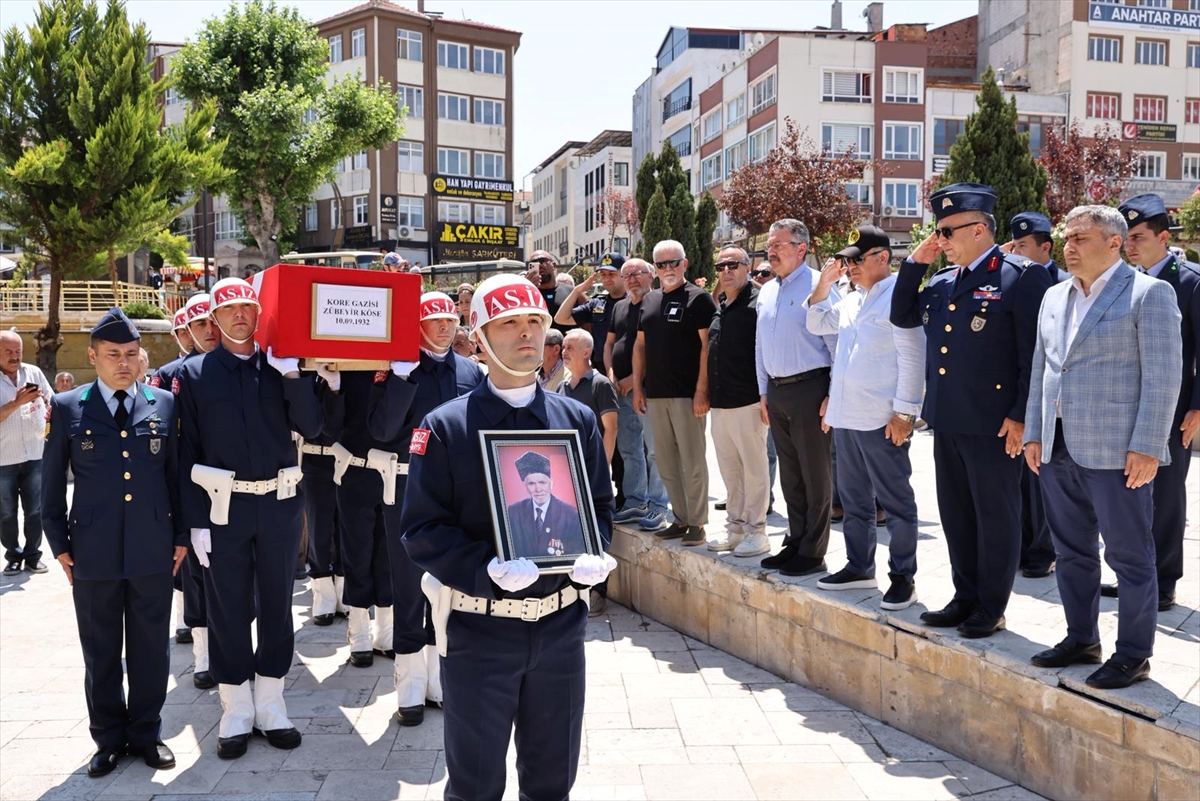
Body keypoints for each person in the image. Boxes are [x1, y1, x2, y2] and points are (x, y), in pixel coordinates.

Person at [400, 273, 615, 801]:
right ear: (477, 336)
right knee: (474, 785)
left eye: (535, 321)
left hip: (561, 628)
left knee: (552, 783)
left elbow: (599, 508)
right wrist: (485, 569)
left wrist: (594, 553)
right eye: (509, 323)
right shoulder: (445, 427)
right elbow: (421, 530)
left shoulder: (578, 419)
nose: (526, 333)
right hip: (480, 630)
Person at [1024, 204, 1182, 689]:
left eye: (1081, 238)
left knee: (1130, 557)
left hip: (1118, 451)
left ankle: (1133, 654)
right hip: (1058, 446)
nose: (1068, 246)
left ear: (1115, 243)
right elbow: (1042, 368)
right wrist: (1034, 432)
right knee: (1071, 551)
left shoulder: (1149, 293)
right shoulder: (1054, 296)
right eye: (1067, 238)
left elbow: (1164, 376)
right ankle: (1081, 638)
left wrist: (1148, 445)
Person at [891, 183, 1054, 638]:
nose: (939, 239)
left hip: (994, 423)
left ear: (979, 229)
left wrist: (1021, 415)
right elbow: (902, 315)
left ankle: (991, 605)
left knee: (996, 517)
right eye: (937, 231)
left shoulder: (1020, 276)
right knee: (957, 514)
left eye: (946, 231)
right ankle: (964, 596)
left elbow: (1036, 355)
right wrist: (915, 263)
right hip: (948, 418)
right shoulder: (943, 281)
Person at [177, 277, 329, 759]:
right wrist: (194, 522)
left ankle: (271, 704)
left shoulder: (282, 367)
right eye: (229, 309)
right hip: (223, 509)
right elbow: (186, 452)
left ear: (259, 313)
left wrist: (293, 378)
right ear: (213, 319)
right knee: (227, 606)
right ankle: (236, 708)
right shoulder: (195, 374)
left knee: (278, 604)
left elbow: (313, 427)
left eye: (247, 306)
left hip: (279, 505)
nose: (240, 315)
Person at [40, 308, 188, 777]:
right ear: (93, 357)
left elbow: (176, 477)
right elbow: (50, 483)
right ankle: (107, 739)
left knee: (151, 649)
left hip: (153, 546)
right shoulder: (68, 406)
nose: (123, 363)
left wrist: (181, 535)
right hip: (92, 549)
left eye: (130, 354)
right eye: (112, 355)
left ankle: (146, 733)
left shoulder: (163, 403)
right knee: (100, 650)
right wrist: (58, 543)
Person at [366, 291, 484, 726]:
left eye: (450, 319)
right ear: (416, 325)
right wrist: (400, 380)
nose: (445, 326)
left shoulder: (471, 371)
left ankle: (439, 681)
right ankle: (410, 685)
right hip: (408, 486)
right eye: (434, 319)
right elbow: (381, 430)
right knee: (408, 586)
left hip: (459, 493)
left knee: (449, 585)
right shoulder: (398, 369)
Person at [807, 226, 926, 610]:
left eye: (857, 259)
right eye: (847, 260)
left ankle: (903, 578)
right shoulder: (851, 299)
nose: (850, 266)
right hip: (848, 417)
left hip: (881, 419)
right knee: (855, 501)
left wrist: (905, 413)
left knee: (896, 503)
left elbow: (914, 357)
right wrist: (824, 285)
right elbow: (815, 322)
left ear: (882, 257)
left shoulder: (898, 296)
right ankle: (859, 566)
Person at [1105, 194, 1200, 612]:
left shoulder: (1190, 282)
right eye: (1126, 237)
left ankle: (1163, 580)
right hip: (1126, 405)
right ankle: (1133, 573)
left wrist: (1198, 407)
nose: (1130, 245)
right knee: (1129, 495)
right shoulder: (1124, 281)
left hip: (1173, 409)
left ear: (1164, 237)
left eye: (1139, 237)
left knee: (1165, 496)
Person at [755, 219, 839, 577]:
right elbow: (760, 345)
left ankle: (813, 553)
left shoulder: (821, 284)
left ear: (801, 248)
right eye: (770, 245)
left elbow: (837, 342)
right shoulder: (767, 291)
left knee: (814, 475)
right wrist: (763, 390)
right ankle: (795, 541)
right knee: (791, 476)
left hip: (810, 389)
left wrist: (833, 393)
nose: (771, 251)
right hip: (777, 391)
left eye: (779, 245)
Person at [633, 240, 716, 547]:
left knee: (692, 461)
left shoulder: (699, 298)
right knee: (666, 462)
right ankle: (680, 519)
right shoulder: (649, 300)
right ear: (654, 268)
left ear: (685, 263)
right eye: (661, 264)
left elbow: (707, 346)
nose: (668, 268)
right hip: (655, 395)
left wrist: (702, 390)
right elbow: (639, 345)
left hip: (687, 394)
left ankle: (697, 523)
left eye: (673, 262)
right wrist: (638, 387)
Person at [149, 298, 214, 679]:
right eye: (199, 324)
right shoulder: (170, 375)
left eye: (211, 321)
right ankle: (204, 657)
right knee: (194, 575)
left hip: (237, 491)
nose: (208, 330)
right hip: (190, 488)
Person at [1004, 211, 1067, 579]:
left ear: (1046, 247)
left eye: (1024, 245)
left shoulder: (1067, 285)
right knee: (1016, 479)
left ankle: (1043, 550)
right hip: (1015, 391)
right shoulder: (1009, 280)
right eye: (1013, 245)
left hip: (1051, 396)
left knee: (1040, 478)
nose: (1017, 252)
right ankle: (1020, 545)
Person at [705, 245, 771, 557]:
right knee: (730, 471)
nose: (726, 271)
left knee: (754, 471)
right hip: (720, 403)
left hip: (749, 401)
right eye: (721, 267)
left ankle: (757, 532)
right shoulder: (721, 305)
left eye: (733, 265)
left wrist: (767, 395)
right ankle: (735, 529)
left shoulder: (759, 303)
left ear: (747, 267)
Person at [605, 258, 671, 532]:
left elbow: (661, 348)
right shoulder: (620, 306)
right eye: (627, 275)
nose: (632, 279)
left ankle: (658, 506)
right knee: (629, 449)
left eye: (637, 273)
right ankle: (635, 501)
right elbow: (609, 343)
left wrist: (634, 378)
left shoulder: (658, 303)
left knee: (654, 450)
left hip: (647, 389)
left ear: (651, 274)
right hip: (620, 389)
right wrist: (611, 373)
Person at [560, 328, 619, 616]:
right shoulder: (562, 387)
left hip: (591, 473)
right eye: (563, 346)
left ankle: (598, 592)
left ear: (587, 352)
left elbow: (611, 428)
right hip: (566, 475)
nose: (564, 351)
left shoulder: (600, 384)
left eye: (570, 347)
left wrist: (602, 468)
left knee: (595, 531)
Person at [1, 329, 53, 576]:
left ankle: (33, 556)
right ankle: (13, 556)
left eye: (18, 351)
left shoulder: (34, 373)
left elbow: (52, 404)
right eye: (8, 352)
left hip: (35, 454)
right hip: (4, 458)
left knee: (35, 510)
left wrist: (43, 402)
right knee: (6, 513)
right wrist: (16, 403)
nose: (15, 356)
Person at [506, 450, 587, 557]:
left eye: (542, 482)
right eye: (531, 483)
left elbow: (578, 551)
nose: (538, 489)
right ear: (525, 486)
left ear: (551, 483)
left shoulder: (571, 514)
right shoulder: (514, 512)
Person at [555, 252, 627, 372]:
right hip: (600, 370)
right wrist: (577, 291)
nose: (607, 279)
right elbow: (560, 318)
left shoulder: (633, 302)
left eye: (612, 274)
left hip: (627, 370)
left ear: (623, 274)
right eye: (603, 274)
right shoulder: (597, 304)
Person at [525, 250, 575, 333]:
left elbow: (588, 322)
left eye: (542, 260)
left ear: (554, 265)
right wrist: (527, 288)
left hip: (566, 340)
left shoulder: (572, 292)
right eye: (534, 263)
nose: (539, 265)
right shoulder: (527, 293)